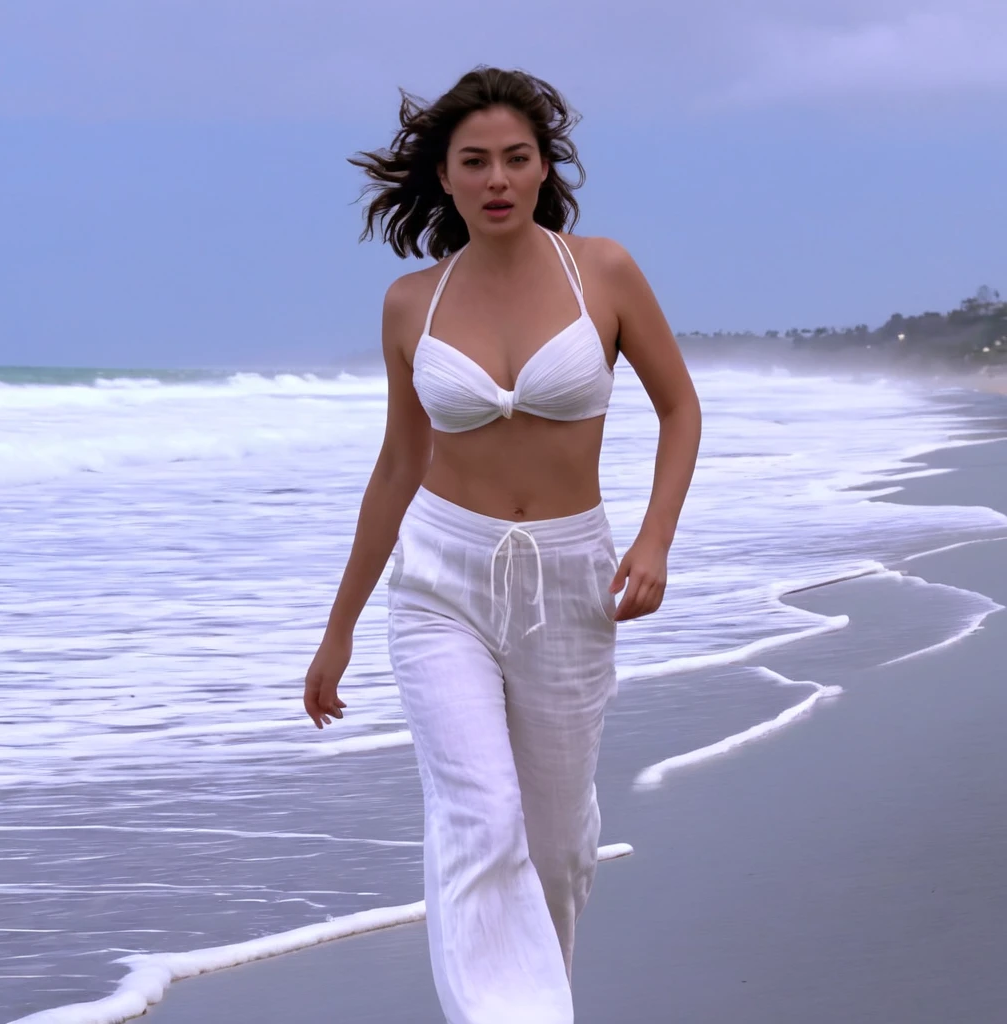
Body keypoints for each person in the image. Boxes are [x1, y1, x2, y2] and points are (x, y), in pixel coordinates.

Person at [304, 66, 701, 1024]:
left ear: (542, 169)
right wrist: (339, 627)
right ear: (443, 176)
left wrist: (653, 541)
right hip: (442, 581)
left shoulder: (601, 271)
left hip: (571, 579)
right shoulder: (413, 304)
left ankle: (532, 1000)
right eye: (473, 161)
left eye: (514, 159)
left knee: (557, 849)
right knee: (481, 819)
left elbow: (680, 408)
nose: (495, 179)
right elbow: (398, 465)